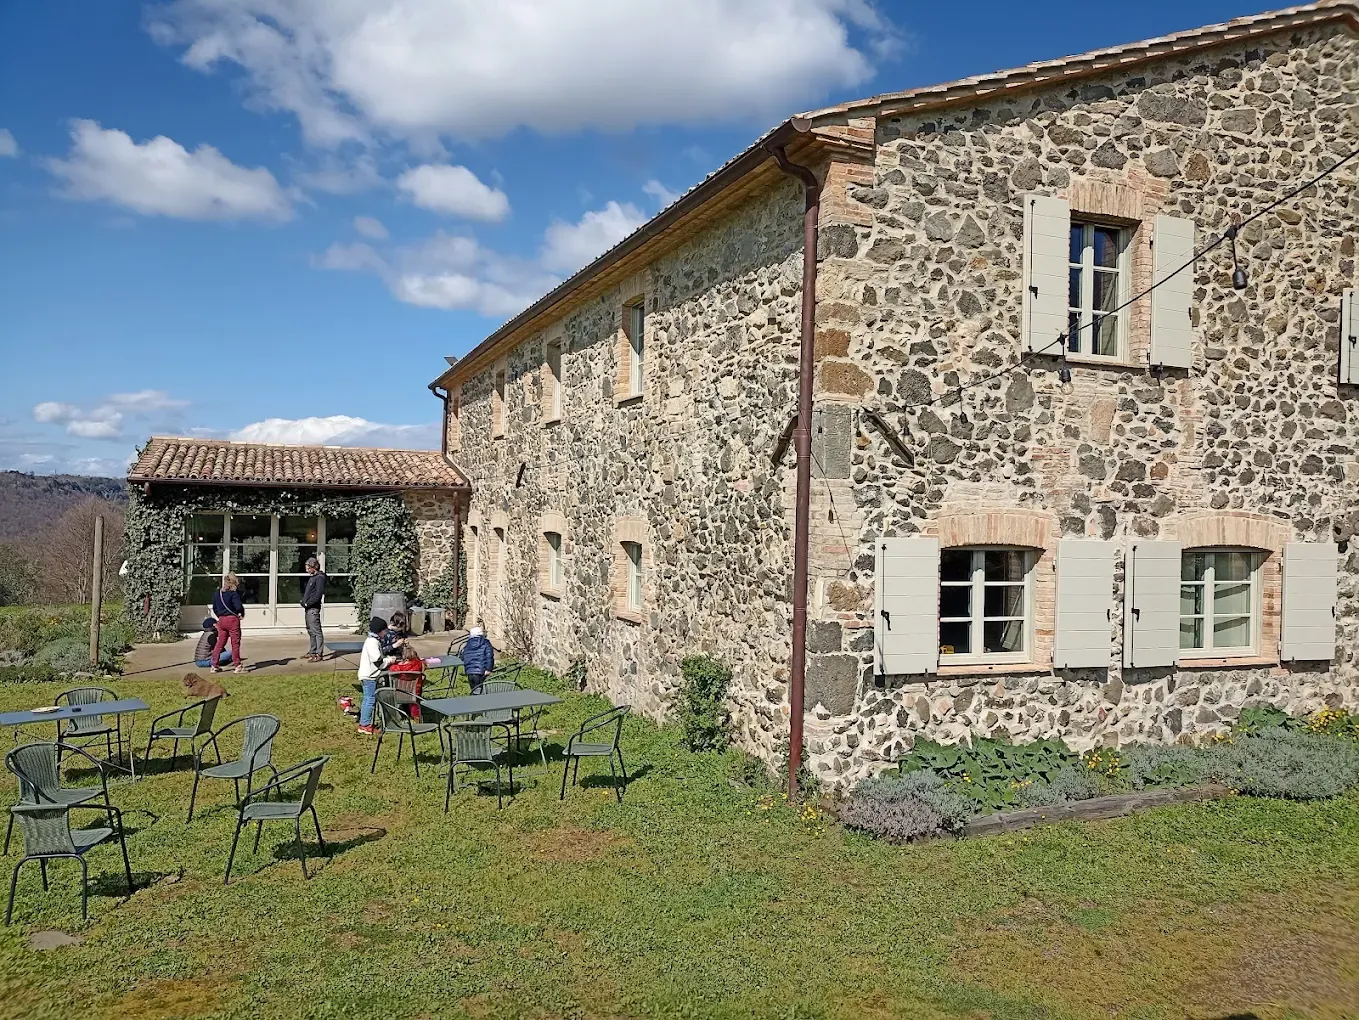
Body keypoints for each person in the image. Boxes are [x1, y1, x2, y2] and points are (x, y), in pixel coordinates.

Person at [357, 616, 396, 735]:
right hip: (369, 676)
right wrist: (389, 661)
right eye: (385, 630)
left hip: (370, 675)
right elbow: (378, 662)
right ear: (379, 631)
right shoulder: (372, 643)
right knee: (370, 700)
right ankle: (364, 725)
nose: (386, 633)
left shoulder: (373, 640)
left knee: (368, 699)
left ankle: (364, 723)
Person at [209, 574, 246, 674]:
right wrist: (241, 613)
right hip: (232, 620)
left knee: (220, 643)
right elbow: (238, 607)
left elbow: (215, 608)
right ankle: (237, 666)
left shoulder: (217, 594)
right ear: (234, 583)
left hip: (221, 620)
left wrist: (220, 616)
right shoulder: (233, 594)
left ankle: (214, 665)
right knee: (235, 643)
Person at [388, 641, 425, 720]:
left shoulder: (399, 667)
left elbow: (392, 669)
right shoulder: (419, 664)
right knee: (415, 704)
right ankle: (416, 717)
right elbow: (424, 663)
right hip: (416, 690)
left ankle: (401, 713)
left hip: (401, 691)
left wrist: (394, 663)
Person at [301, 556, 327, 662]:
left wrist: (308, 603)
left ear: (314, 567)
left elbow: (318, 595)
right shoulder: (313, 577)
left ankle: (318, 653)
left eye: (308, 568)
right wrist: (303, 601)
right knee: (310, 631)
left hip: (313, 609)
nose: (307, 570)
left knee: (316, 631)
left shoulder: (319, 578)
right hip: (308, 609)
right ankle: (312, 651)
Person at [462, 623, 494, 694]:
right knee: (479, 691)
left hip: (470, 672)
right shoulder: (486, 643)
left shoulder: (468, 644)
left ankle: (474, 698)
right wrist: (489, 669)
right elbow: (489, 657)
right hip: (481, 672)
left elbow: (463, 656)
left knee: (474, 690)